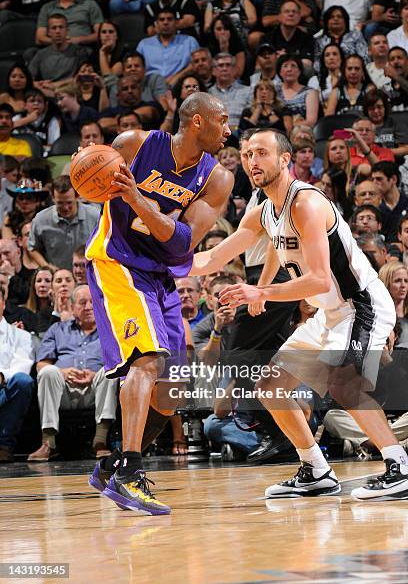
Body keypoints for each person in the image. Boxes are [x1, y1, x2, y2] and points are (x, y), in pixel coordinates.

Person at [191, 127, 408, 501]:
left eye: (261, 153)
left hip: (361, 304)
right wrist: (156, 263)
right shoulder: (263, 212)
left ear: (285, 159)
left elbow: (320, 278)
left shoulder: (306, 202)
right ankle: (316, 470)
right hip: (329, 313)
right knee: (271, 388)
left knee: (343, 383)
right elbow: (213, 258)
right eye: (246, 154)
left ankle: (399, 465)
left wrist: (261, 290)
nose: (252, 161)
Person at [86, 92, 233, 515]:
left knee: (172, 393)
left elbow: (182, 242)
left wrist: (137, 199)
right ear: (197, 122)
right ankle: (130, 473)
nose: (228, 130)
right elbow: (93, 179)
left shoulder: (217, 179)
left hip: (162, 274)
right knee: (146, 361)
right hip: (117, 262)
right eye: (222, 121)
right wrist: (88, 166)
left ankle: (112, 465)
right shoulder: (134, 145)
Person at [28, 285, 118, 461]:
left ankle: (100, 441)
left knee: (110, 371)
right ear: (72, 307)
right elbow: (41, 364)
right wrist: (62, 372)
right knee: (48, 372)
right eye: (82, 303)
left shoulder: (110, 330)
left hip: (96, 388)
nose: (88, 307)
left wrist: (94, 375)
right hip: (63, 391)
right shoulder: (57, 330)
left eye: (93, 302)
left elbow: (119, 362)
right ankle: (49, 442)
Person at [28, 174, 100, 270]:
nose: (65, 208)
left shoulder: (94, 216)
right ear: (53, 197)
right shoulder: (41, 219)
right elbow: (33, 248)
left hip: (88, 276)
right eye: (60, 203)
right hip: (58, 278)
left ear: (77, 196)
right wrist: (47, 267)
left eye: (69, 202)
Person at [0, 285, 34, 463]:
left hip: (5, 390)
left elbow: (22, 366)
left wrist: (1, 376)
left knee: (22, 381)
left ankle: (4, 445)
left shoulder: (21, 335)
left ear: (3, 304)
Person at [35, 0, 104, 48]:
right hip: (55, 50)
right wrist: (60, 42)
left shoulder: (90, 4)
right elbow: (40, 37)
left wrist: (80, 39)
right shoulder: (47, 8)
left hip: (81, 49)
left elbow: (101, 34)